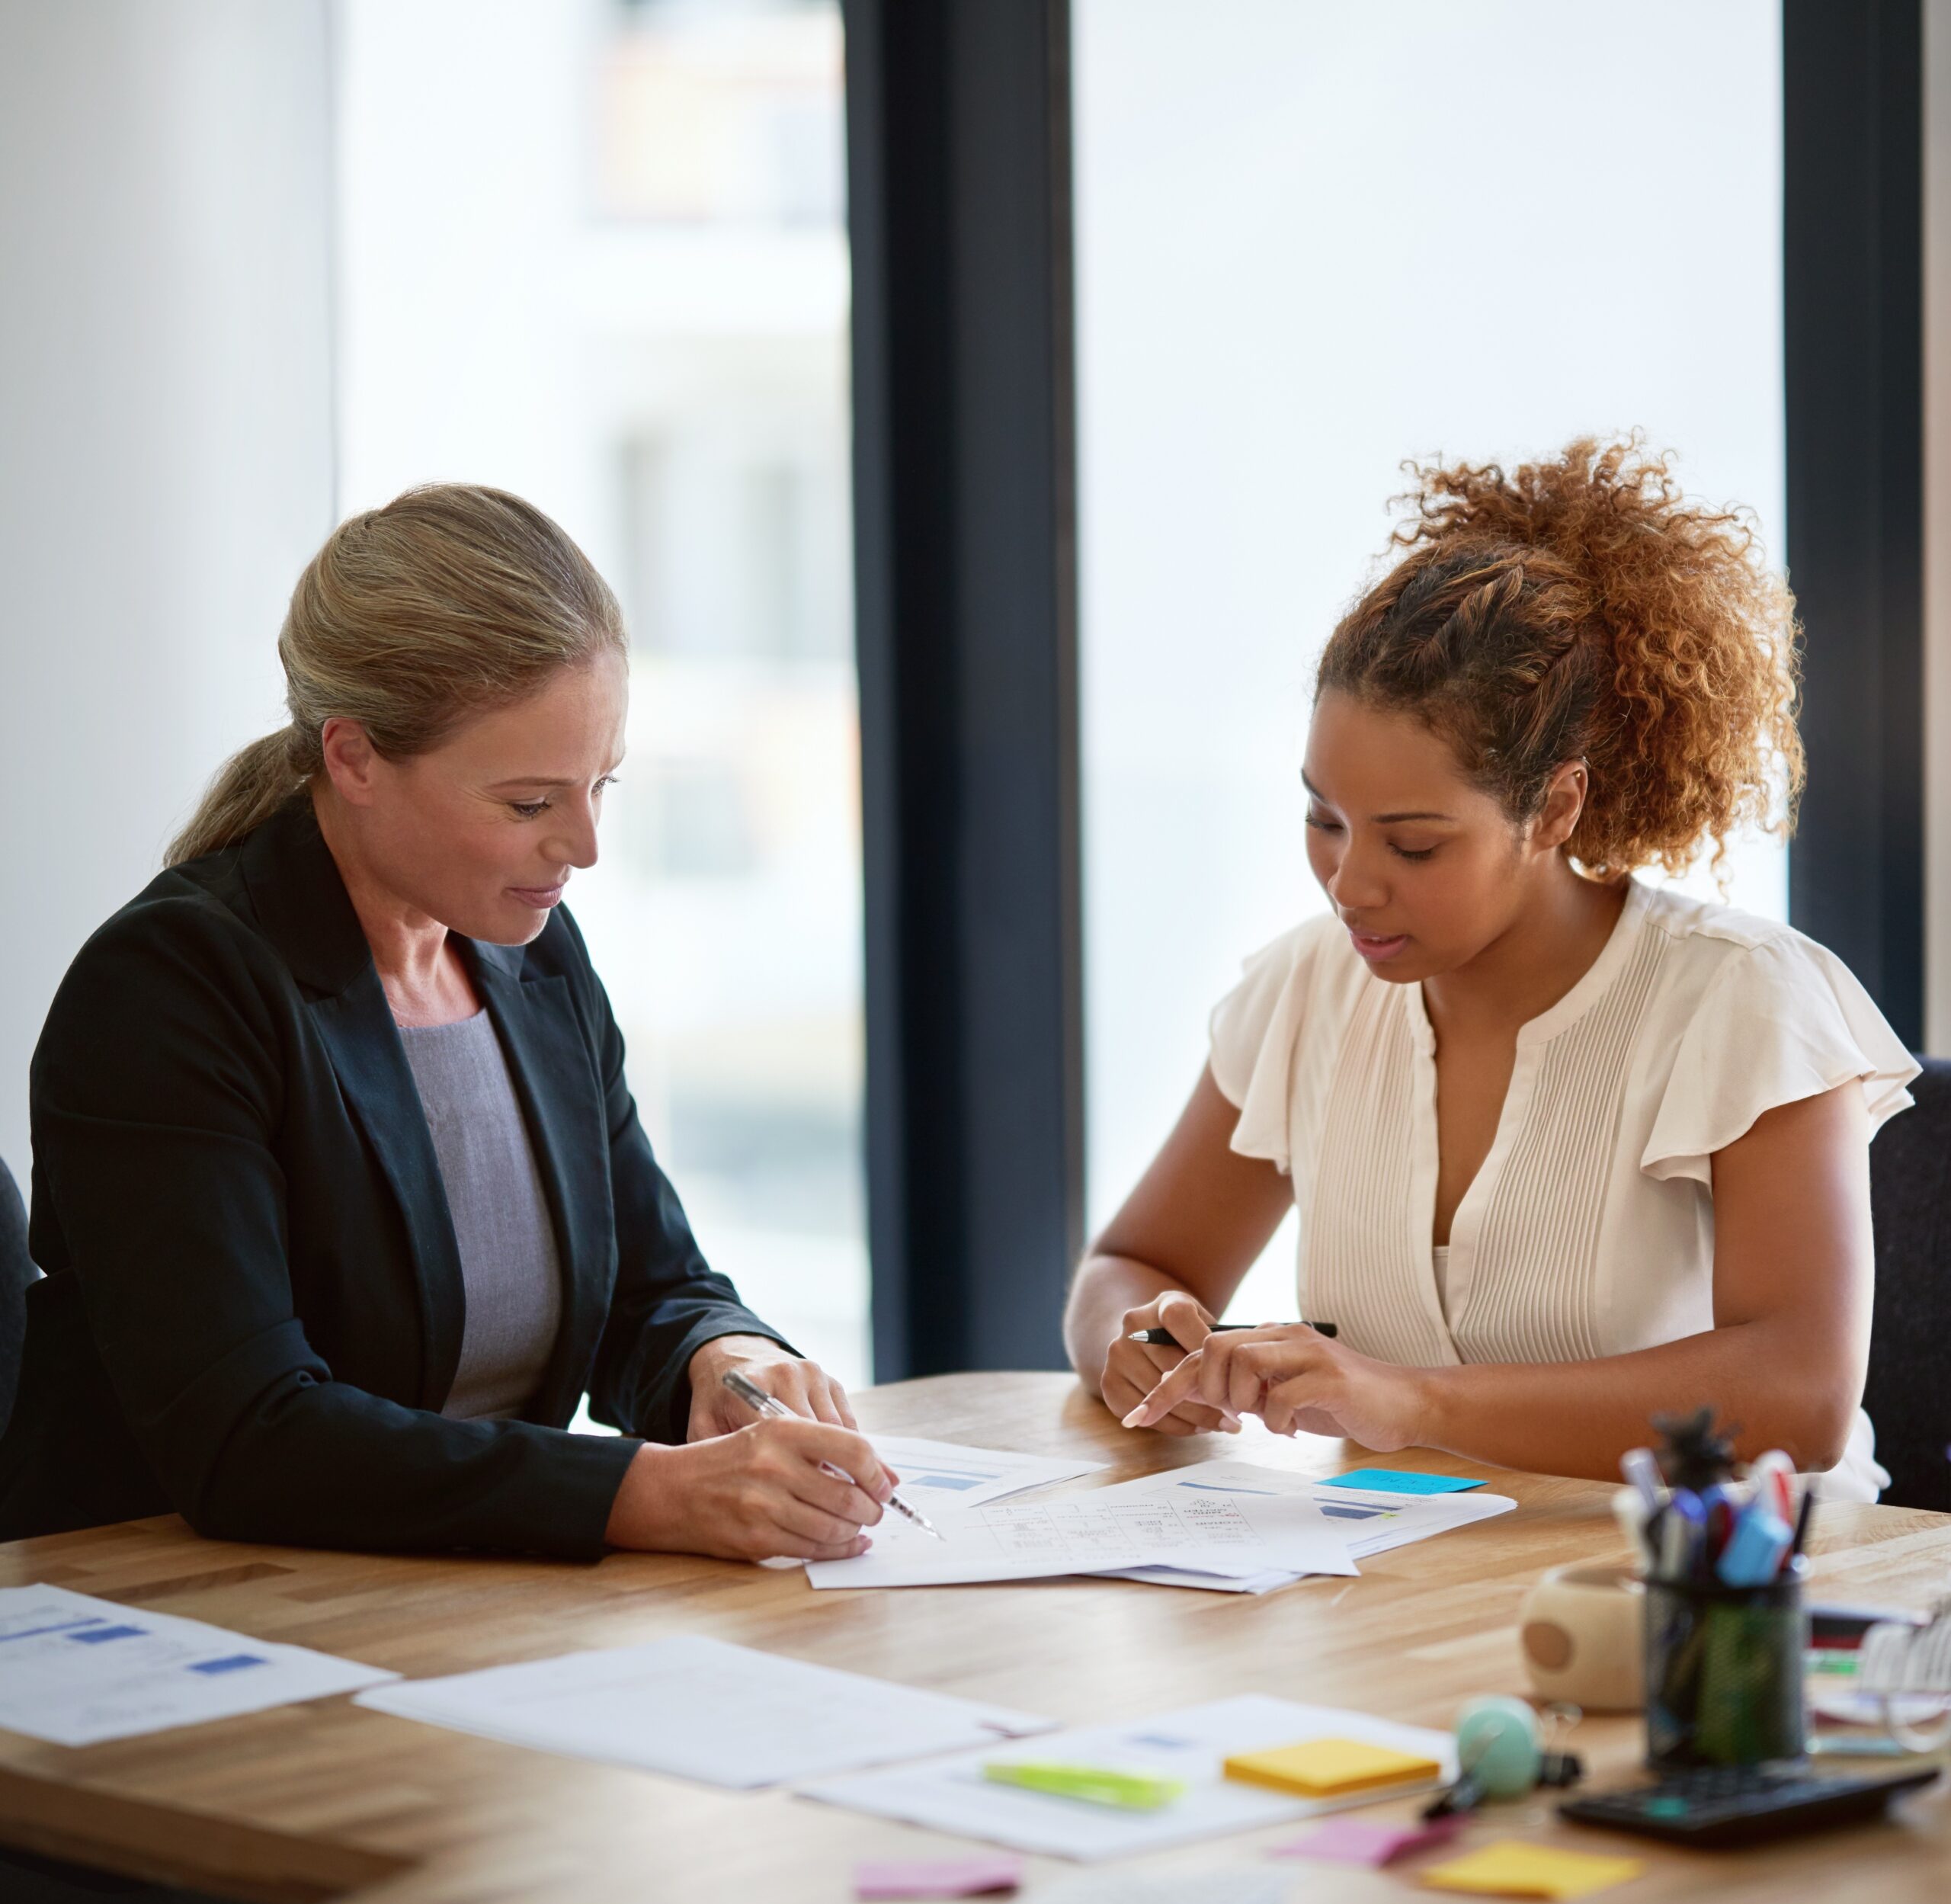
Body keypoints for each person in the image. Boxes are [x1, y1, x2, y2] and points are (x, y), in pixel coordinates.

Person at [1, 484, 893, 1560]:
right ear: (354, 756)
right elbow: (248, 1438)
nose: (585, 846)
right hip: (184, 1621)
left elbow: (650, 1289)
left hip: (455, 1613)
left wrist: (726, 1358)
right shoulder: (169, 989)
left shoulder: (532, 957)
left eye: (599, 784)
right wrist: (649, 1495)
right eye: (529, 803)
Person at [1067, 438, 1914, 1500]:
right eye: (1323, 819)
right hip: (1414, 1594)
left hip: (1721, 1603)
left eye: (1413, 843)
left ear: (1556, 808)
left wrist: (1406, 1401)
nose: (1350, 883)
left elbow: (1802, 1392)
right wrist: (1136, 1340)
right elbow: (1129, 1267)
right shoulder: (1306, 991)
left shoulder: (1744, 1001)